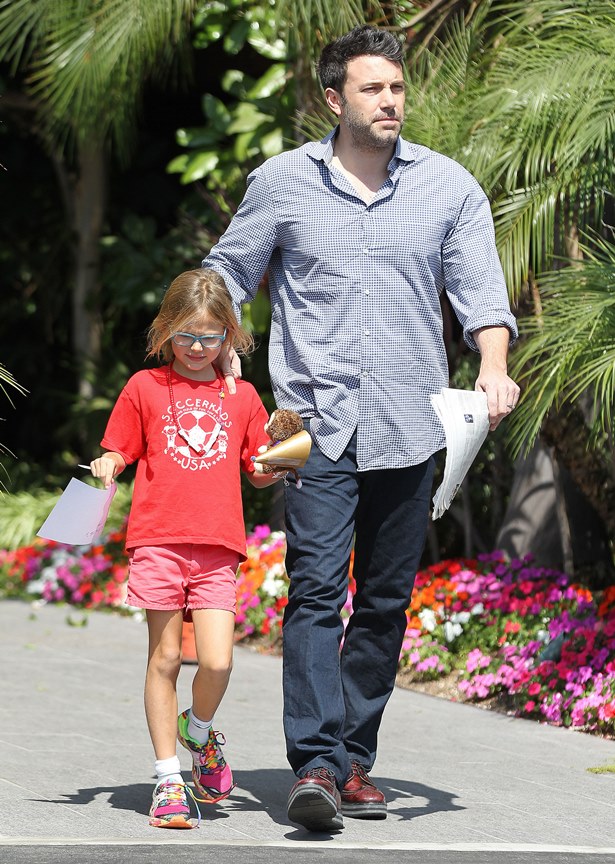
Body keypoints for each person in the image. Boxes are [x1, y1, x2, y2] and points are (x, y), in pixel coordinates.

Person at [203, 25, 520, 832]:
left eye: (397, 88)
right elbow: (227, 269)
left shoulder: (447, 187)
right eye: (372, 88)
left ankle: (351, 760)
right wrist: (218, 339)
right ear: (333, 99)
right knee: (314, 589)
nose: (389, 101)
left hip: (411, 423)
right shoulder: (281, 182)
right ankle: (314, 764)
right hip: (305, 423)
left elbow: (481, 294)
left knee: (383, 599)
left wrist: (491, 365)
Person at [88, 269, 280, 829]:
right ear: (166, 329)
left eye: (210, 337)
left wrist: (283, 460)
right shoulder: (144, 387)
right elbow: (119, 450)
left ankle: (198, 731)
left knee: (218, 661)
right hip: (159, 541)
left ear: (229, 336)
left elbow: (258, 471)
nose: (197, 348)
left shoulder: (243, 397)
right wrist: (108, 463)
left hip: (219, 546)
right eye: (186, 336)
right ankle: (168, 779)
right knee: (166, 658)